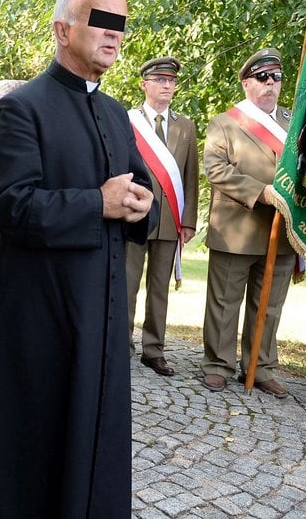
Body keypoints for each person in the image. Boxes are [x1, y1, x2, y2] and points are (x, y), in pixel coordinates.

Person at [0, 0, 158, 519]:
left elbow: (137, 192)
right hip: (37, 320)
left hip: (100, 315)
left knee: (94, 431)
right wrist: (99, 203)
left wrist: (140, 207)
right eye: (101, 21)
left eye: (121, 24)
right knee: (33, 445)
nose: (114, 34)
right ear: (63, 31)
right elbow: (10, 208)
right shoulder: (20, 110)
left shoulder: (115, 114)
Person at [200, 48, 296, 398]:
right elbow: (217, 170)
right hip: (237, 228)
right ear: (246, 83)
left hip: (282, 231)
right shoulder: (225, 123)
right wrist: (261, 192)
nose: (271, 84)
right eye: (262, 77)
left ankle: (261, 366)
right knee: (225, 302)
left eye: (276, 77)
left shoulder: (294, 121)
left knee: (269, 306)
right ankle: (217, 365)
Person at [126, 57, 199, 376]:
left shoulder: (186, 125)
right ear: (145, 84)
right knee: (127, 284)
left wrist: (189, 220)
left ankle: (153, 350)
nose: (167, 86)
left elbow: (191, 176)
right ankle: (121, 344)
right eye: (159, 80)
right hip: (132, 216)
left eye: (171, 81)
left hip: (170, 219)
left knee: (159, 288)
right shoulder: (127, 121)